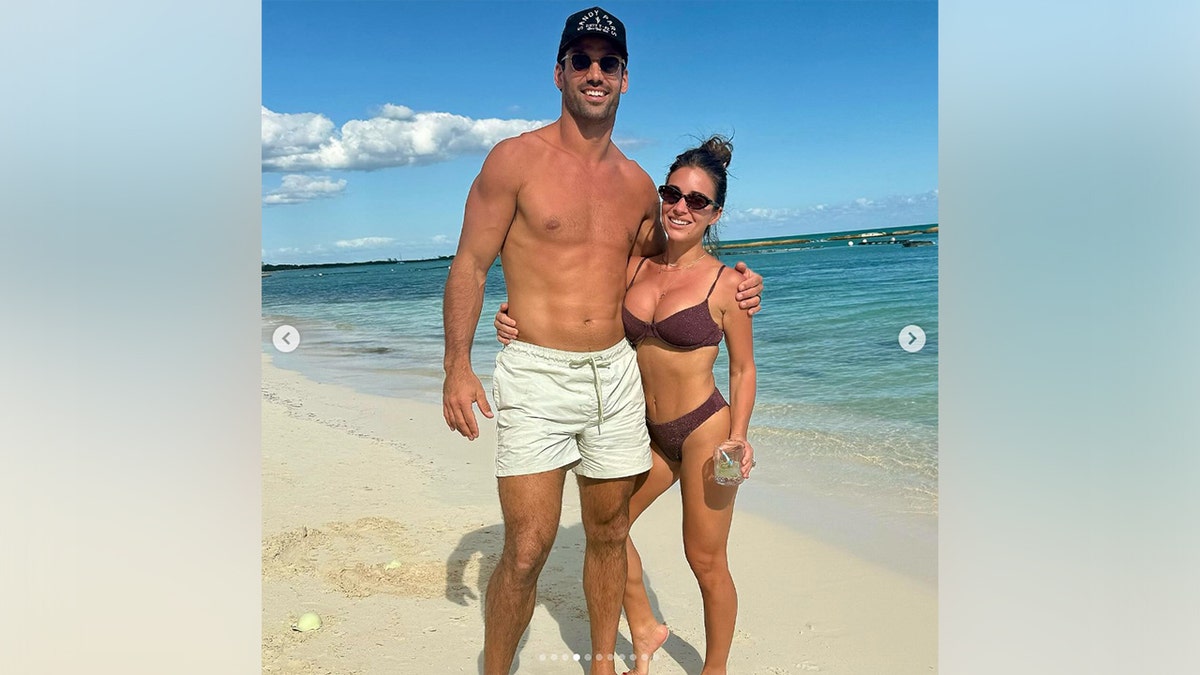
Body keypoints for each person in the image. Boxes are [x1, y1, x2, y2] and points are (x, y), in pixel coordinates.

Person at [440, 8, 762, 674]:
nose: (594, 72)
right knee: (527, 548)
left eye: (607, 62)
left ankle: (607, 664)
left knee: (611, 535)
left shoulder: (640, 186)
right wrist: (458, 365)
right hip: (537, 373)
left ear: (624, 79)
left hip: (617, 381)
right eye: (580, 60)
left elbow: (659, 264)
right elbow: (471, 262)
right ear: (558, 72)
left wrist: (745, 281)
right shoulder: (514, 160)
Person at [495, 136, 756, 674]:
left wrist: (740, 436)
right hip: (649, 430)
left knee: (706, 561)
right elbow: (574, 293)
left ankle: (716, 669)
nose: (681, 207)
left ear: (715, 214)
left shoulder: (729, 283)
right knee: (609, 531)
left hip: (710, 430)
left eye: (697, 201)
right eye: (673, 194)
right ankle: (646, 626)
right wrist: (513, 315)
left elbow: (743, 369)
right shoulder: (637, 267)